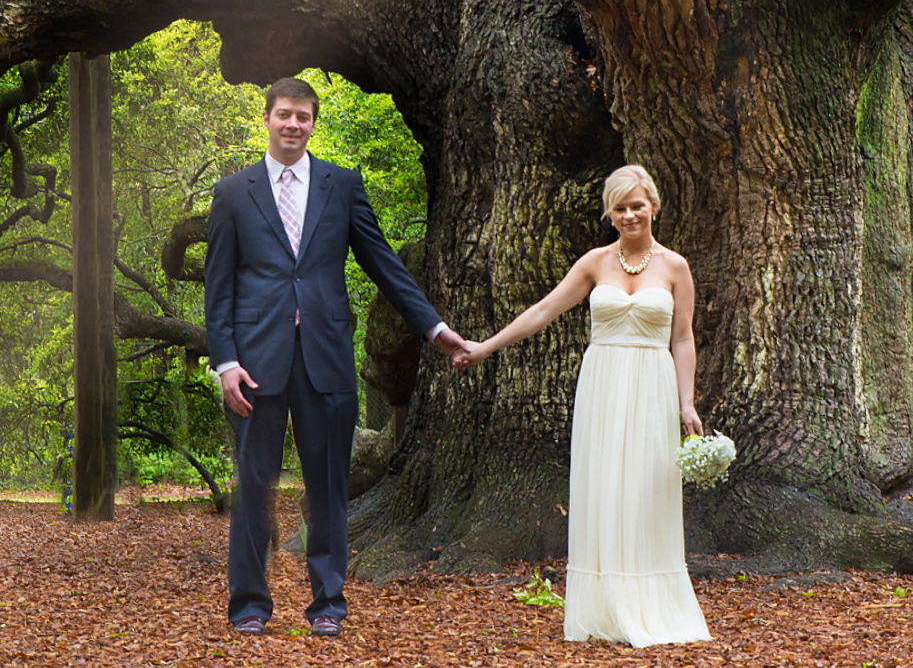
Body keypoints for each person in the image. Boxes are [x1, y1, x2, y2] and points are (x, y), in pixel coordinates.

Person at [205, 75, 470, 637]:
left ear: (313, 122)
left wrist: (433, 327)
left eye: (303, 116)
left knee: (328, 487)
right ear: (268, 118)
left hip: (325, 360)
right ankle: (249, 604)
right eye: (284, 115)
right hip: (253, 365)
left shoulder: (342, 186)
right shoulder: (233, 193)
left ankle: (328, 603)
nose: (293, 125)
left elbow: (383, 264)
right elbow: (218, 287)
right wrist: (225, 361)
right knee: (255, 486)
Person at [453, 163, 711, 646]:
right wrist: (486, 346)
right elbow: (544, 309)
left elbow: (682, 338)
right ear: (610, 215)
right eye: (620, 208)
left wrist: (686, 402)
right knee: (605, 486)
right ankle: (605, 606)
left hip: (653, 383)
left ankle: (650, 606)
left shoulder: (675, 267)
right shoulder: (595, 262)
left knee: (645, 490)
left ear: (653, 206)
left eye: (638, 205)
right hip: (603, 381)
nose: (630, 214)